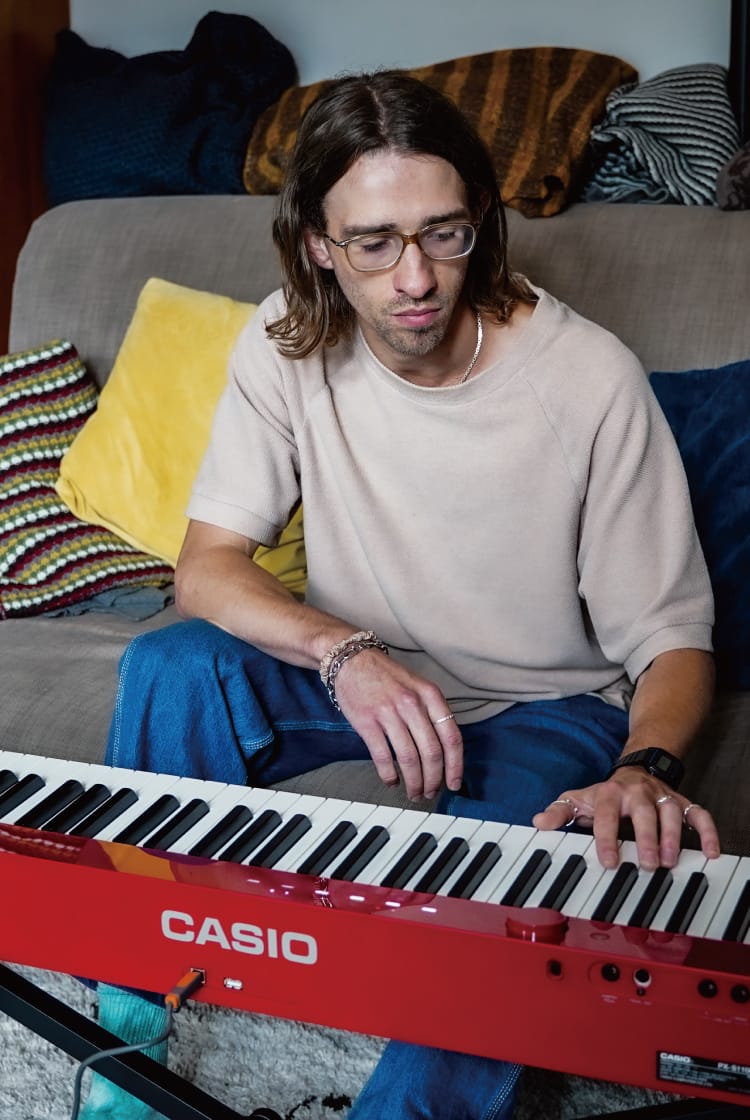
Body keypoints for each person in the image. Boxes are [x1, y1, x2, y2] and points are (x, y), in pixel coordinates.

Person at [82, 71, 720, 1120]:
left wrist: (645, 766)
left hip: (540, 705)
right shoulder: (289, 338)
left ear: (482, 224)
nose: (415, 277)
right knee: (171, 663)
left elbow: (673, 635)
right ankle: (129, 1027)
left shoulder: (588, 377)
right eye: (373, 241)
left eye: (444, 234)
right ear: (319, 245)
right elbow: (205, 570)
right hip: (357, 672)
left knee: (502, 931)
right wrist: (344, 652)